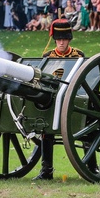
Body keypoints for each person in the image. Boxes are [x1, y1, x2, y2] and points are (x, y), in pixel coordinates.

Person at [34, 19, 86, 180]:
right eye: (58, 39)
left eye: (64, 39)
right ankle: (46, 170)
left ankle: (91, 167)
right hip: (53, 100)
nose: (61, 42)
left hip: (73, 100)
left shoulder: (78, 55)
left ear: (69, 39)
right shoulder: (48, 56)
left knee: (85, 130)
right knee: (46, 133)